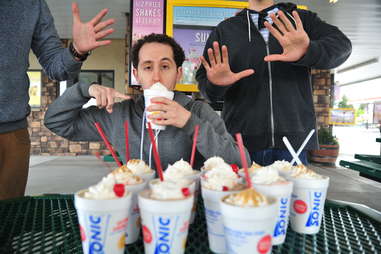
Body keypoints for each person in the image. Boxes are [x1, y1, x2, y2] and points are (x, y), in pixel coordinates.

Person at [44, 33, 250, 171]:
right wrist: (84, 89)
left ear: (178, 73)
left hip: (188, 210)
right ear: (137, 75)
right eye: (148, 67)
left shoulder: (198, 111)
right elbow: (55, 122)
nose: (157, 77)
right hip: (133, 211)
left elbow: (242, 163)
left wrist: (190, 123)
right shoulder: (118, 113)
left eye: (165, 66)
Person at [196, 0, 352, 166]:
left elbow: (342, 46)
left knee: (293, 192)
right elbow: (206, 87)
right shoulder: (226, 30)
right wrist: (215, 84)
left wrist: (308, 50)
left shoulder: (301, 20)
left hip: (294, 144)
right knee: (242, 193)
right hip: (241, 143)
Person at [0, 0, 115, 200]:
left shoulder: (31, 5)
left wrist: (77, 51)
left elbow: (56, 66)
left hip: (12, 134)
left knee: (9, 217)